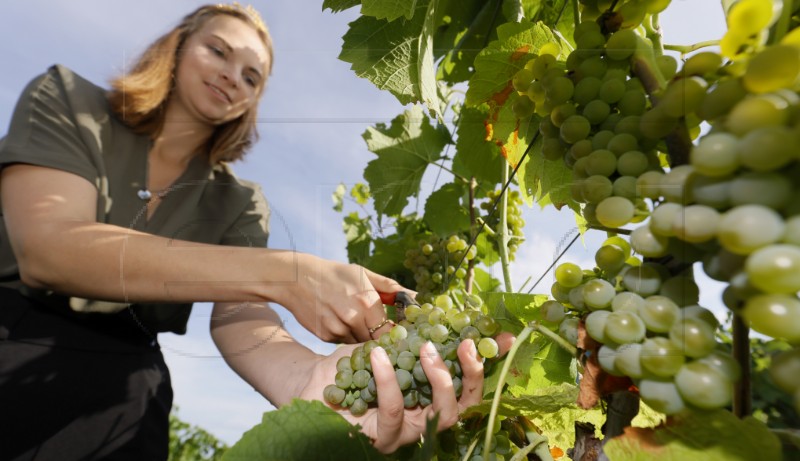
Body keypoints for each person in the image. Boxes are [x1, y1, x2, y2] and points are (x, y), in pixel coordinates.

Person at [0, 3, 500, 460]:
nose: (231, 76)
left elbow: (240, 317)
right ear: (174, 47)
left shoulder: (240, 202)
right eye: (217, 50)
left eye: (251, 75)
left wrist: (302, 376)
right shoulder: (70, 100)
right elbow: (50, 247)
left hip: (123, 389)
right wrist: (286, 273)